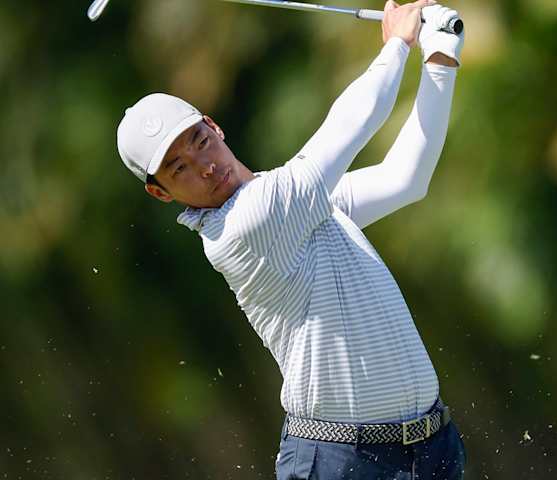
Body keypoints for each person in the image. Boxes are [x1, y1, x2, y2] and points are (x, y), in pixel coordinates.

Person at [115, 0, 465, 478]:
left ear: (214, 127)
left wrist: (440, 58)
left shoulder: (297, 206)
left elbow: (406, 178)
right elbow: (348, 127)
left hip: (429, 450)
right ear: (161, 193)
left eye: (199, 141)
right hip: (343, 462)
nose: (205, 165)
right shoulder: (246, 225)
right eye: (179, 168)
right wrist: (398, 45)